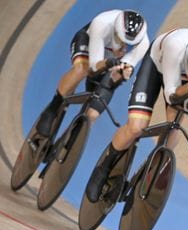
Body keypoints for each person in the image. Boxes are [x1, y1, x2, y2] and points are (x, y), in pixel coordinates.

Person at [85, 28, 188, 202]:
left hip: (182, 80)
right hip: (158, 64)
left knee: (173, 132)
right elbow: (171, 95)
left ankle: (147, 173)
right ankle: (102, 169)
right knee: (136, 127)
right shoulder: (176, 47)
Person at [35, 9, 149, 138]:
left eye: (129, 46)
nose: (124, 48)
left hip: (110, 61)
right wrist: (107, 64)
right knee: (81, 70)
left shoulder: (143, 44)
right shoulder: (102, 24)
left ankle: (71, 140)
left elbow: (122, 72)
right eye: (121, 40)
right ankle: (52, 108)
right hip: (88, 44)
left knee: (93, 115)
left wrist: (121, 75)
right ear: (115, 31)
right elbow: (94, 67)